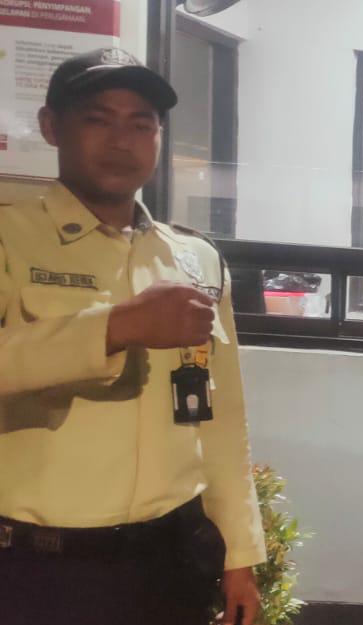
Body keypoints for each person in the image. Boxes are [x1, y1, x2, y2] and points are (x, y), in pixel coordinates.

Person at [0, 48, 265, 625]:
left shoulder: (195, 258)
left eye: (141, 124)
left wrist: (240, 556)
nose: (122, 140)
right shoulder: (11, 238)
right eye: (98, 119)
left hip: (171, 566)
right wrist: (113, 329)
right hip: (37, 571)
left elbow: (222, 418)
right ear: (51, 127)